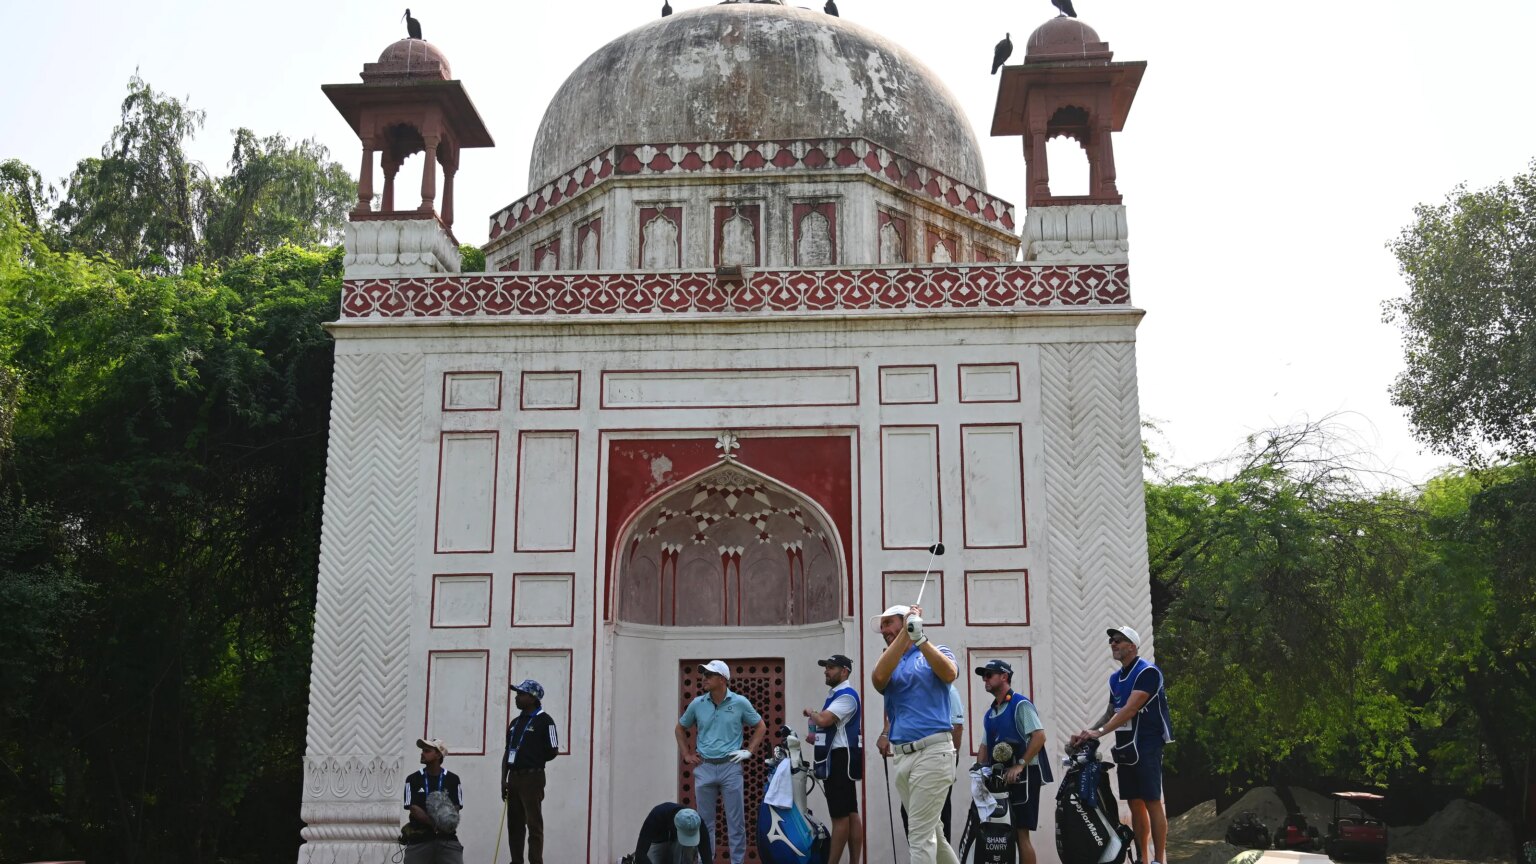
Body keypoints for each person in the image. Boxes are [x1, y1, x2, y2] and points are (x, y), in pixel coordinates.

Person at [1070, 625, 1173, 864]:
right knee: (1134, 804)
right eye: (1112, 641)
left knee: (1152, 801)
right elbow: (1112, 711)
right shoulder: (1115, 679)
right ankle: (1143, 859)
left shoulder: (1147, 672)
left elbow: (1130, 708)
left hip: (1147, 745)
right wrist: (1088, 734)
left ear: (1132, 646)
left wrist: (1101, 731)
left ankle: (1159, 859)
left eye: (1119, 640)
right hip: (1126, 748)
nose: (1113, 644)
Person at [871, 604, 960, 864]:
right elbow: (878, 679)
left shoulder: (935, 650)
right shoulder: (889, 661)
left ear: (904, 621)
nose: (884, 630)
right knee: (933, 834)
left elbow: (949, 672)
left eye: (889, 623)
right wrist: (905, 635)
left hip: (933, 751)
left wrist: (920, 638)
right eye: (883, 626)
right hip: (902, 756)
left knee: (919, 837)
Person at [676, 659, 767, 864]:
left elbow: (760, 726)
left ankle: (737, 862)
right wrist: (686, 754)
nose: (704, 679)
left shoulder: (740, 702)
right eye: (704, 675)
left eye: (709, 675)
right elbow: (680, 728)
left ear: (722, 679)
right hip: (704, 766)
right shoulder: (697, 704)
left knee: (736, 822)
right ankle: (705, 861)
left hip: (730, 766)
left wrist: (749, 751)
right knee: (704, 822)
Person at [976, 659, 1052, 864]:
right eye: (983, 675)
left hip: (1024, 777)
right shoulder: (990, 713)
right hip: (999, 780)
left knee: (1021, 835)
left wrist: (1019, 764)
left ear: (1004, 676)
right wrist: (978, 773)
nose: (985, 679)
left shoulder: (1021, 704)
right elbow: (984, 748)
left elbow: (1039, 736)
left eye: (989, 674)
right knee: (998, 834)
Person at [803, 653, 864, 864]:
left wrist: (811, 712)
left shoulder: (846, 695)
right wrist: (817, 738)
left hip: (840, 759)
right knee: (851, 812)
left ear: (844, 671)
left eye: (831, 667)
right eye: (826, 667)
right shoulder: (836, 694)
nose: (826, 671)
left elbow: (825, 719)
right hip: (841, 756)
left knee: (840, 817)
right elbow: (832, 728)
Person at [890, 682, 962, 841]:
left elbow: (957, 727)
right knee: (909, 814)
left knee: (938, 816)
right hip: (913, 760)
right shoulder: (916, 688)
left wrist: (952, 762)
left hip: (936, 759)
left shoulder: (949, 689)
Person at [503, 679, 559, 864]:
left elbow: (553, 750)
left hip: (532, 777)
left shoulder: (545, 721)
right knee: (514, 824)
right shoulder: (514, 723)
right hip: (514, 777)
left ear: (533, 697)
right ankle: (516, 860)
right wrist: (504, 779)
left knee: (533, 823)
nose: (516, 697)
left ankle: (535, 860)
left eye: (521, 694)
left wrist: (534, 759)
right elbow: (507, 751)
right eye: (517, 693)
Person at [402, 737, 465, 864]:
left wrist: (444, 825)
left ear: (438, 754)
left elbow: (456, 807)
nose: (422, 753)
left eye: (426, 750)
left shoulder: (453, 779)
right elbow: (413, 807)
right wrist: (433, 824)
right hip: (419, 840)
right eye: (422, 750)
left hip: (447, 839)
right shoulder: (412, 779)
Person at [629, 803, 712, 864]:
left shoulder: (697, 822)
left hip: (679, 845)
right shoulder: (656, 815)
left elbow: (707, 858)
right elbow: (640, 855)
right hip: (658, 842)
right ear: (675, 826)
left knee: (686, 852)